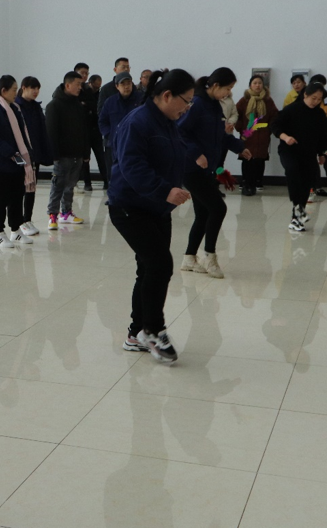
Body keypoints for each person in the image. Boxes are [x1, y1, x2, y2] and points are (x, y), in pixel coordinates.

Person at [107, 68, 195, 364]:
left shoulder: (168, 121)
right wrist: (164, 190)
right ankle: (154, 331)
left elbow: (174, 156)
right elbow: (132, 166)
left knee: (148, 268)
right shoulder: (138, 121)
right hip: (129, 206)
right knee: (160, 264)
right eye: (186, 101)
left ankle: (136, 334)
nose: (187, 107)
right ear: (167, 95)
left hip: (156, 206)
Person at [177, 68, 252, 279]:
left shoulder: (214, 106)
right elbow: (180, 131)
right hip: (191, 168)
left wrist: (239, 147)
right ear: (216, 85)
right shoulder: (197, 104)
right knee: (218, 208)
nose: (229, 93)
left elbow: (220, 135)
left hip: (206, 168)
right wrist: (196, 154)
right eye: (227, 88)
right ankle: (210, 257)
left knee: (203, 213)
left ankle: (189, 258)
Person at [0, 75, 36, 247]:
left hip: (17, 161)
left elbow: (21, 135)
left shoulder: (14, 109)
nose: (16, 93)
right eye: (14, 90)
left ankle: (15, 230)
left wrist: (25, 155)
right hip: (0, 163)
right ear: (3, 91)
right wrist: (11, 152)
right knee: (1, 199)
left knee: (17, 196)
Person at [270, 82, 327, 232]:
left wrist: (322, 153)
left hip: (308, 153)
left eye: (319, 99)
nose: (316, 102)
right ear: (305, 95)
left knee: (306, 182)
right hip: (289, 150)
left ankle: (296, 217)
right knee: (292, 170)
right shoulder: (291, 109)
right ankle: (298, 207)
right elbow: (275, 126)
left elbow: (323, 136)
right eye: (313, 98)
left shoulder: (320, 114)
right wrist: (286, 137)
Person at [45, 71, 88, 229]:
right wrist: (54, 154)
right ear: (68, 85)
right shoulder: (54, 106)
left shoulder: (78, 105)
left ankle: (66, 212)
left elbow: (84, 131)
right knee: (58, 186)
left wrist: (85, 152)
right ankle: (52, 215)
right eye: (77, 84)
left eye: (81, 84)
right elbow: (51, 132)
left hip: (77, 153)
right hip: (62, 155)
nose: (80, 87)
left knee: (70, 186)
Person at [15, 76, 53, 236]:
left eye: (38, 88)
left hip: (34, 154)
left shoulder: (36, 107)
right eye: (33, 88)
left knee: (31, 187)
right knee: (19, 189)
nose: (36, 91)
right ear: (23, 88)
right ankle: (18, 222)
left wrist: (44, 153)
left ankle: (27, 219)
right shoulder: (16, 107)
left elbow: (42, 131)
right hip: (20, 155)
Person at [236, 75, 279, 196]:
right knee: (246, 158)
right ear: (250, 85)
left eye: (260, 83)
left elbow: (275, 116)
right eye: (255, 83)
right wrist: (241, 128)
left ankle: (257, 182)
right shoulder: (244, 100)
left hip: (262, 134)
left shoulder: (268, 100)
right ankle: (246, 183)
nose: (257, 85)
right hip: (247, 134)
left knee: (260, 159)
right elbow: (236, 115)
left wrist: (269, 129)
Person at [306, 73, 327, 200]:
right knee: (311, 164)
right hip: (309, 137)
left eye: (321, 84)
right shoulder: (305, 98)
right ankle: (312, 189)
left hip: (325, 137)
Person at [74, 64, 107, 191]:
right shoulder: (74, 90)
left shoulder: (89, 91)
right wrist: (85, 106)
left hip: (95, 129)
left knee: (101, 156)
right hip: (82, 130)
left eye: (86, 73)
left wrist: (85, 105)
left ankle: (107, 181)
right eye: (82, 73)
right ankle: (87, 183)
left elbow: (95, 107)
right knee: (85, 158)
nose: (84, 75)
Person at [98, 71, 143, 153]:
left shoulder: (141, 99)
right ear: (117, 86)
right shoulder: (110, 102)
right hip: (115, 145)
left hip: (137, 144)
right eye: (123, 84)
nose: (126, 87)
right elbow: (102, 122)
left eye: (129, 83)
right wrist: (111, 134)